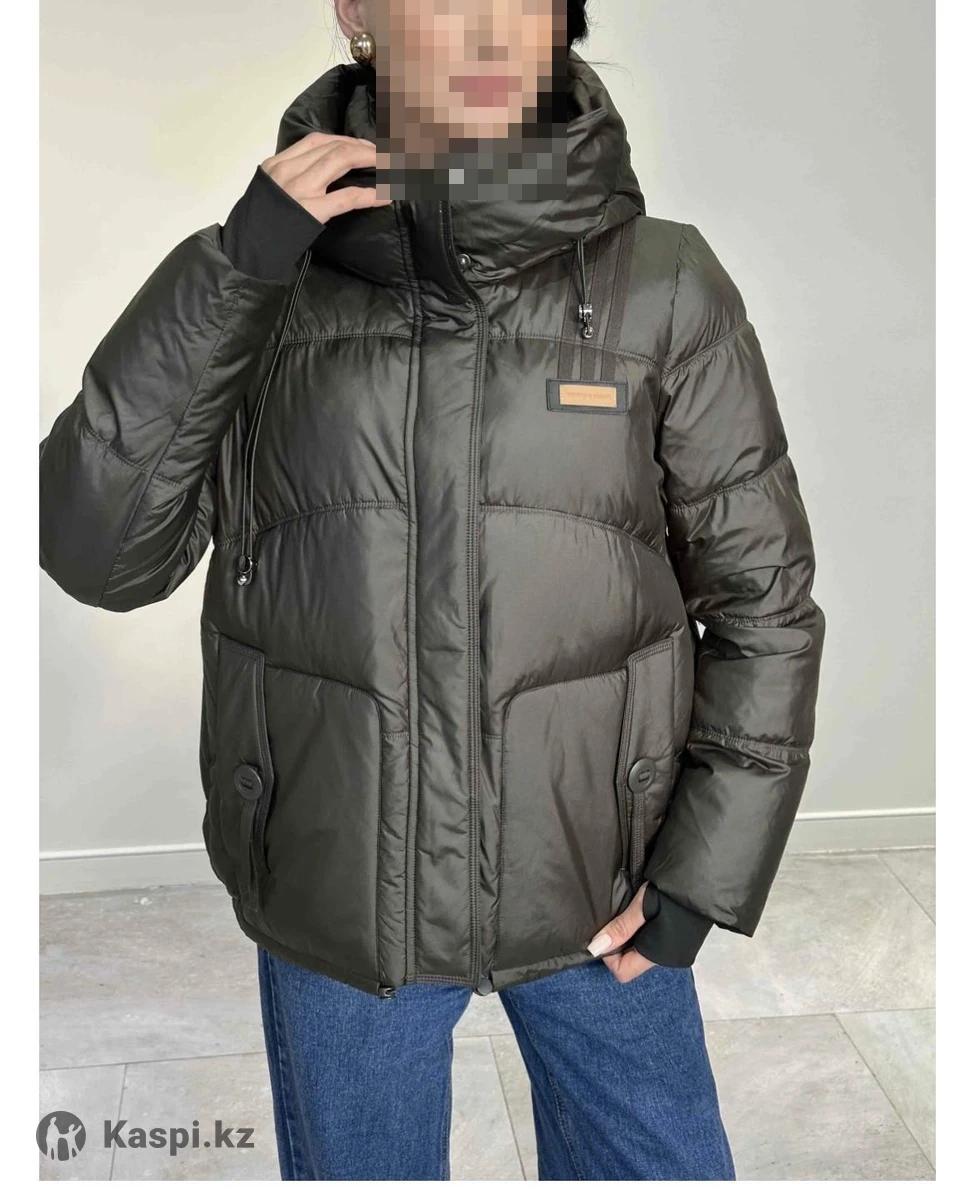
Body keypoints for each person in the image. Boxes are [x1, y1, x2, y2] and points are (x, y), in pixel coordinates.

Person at [38, 0, 826, 1181]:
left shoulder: (664, 283)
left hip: (601, 879)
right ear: (357, 10)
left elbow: (764, 602)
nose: (490, 26)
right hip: (338, 897)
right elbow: (100, 554)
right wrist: (236, 270)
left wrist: (705, 870)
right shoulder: (261, 284)